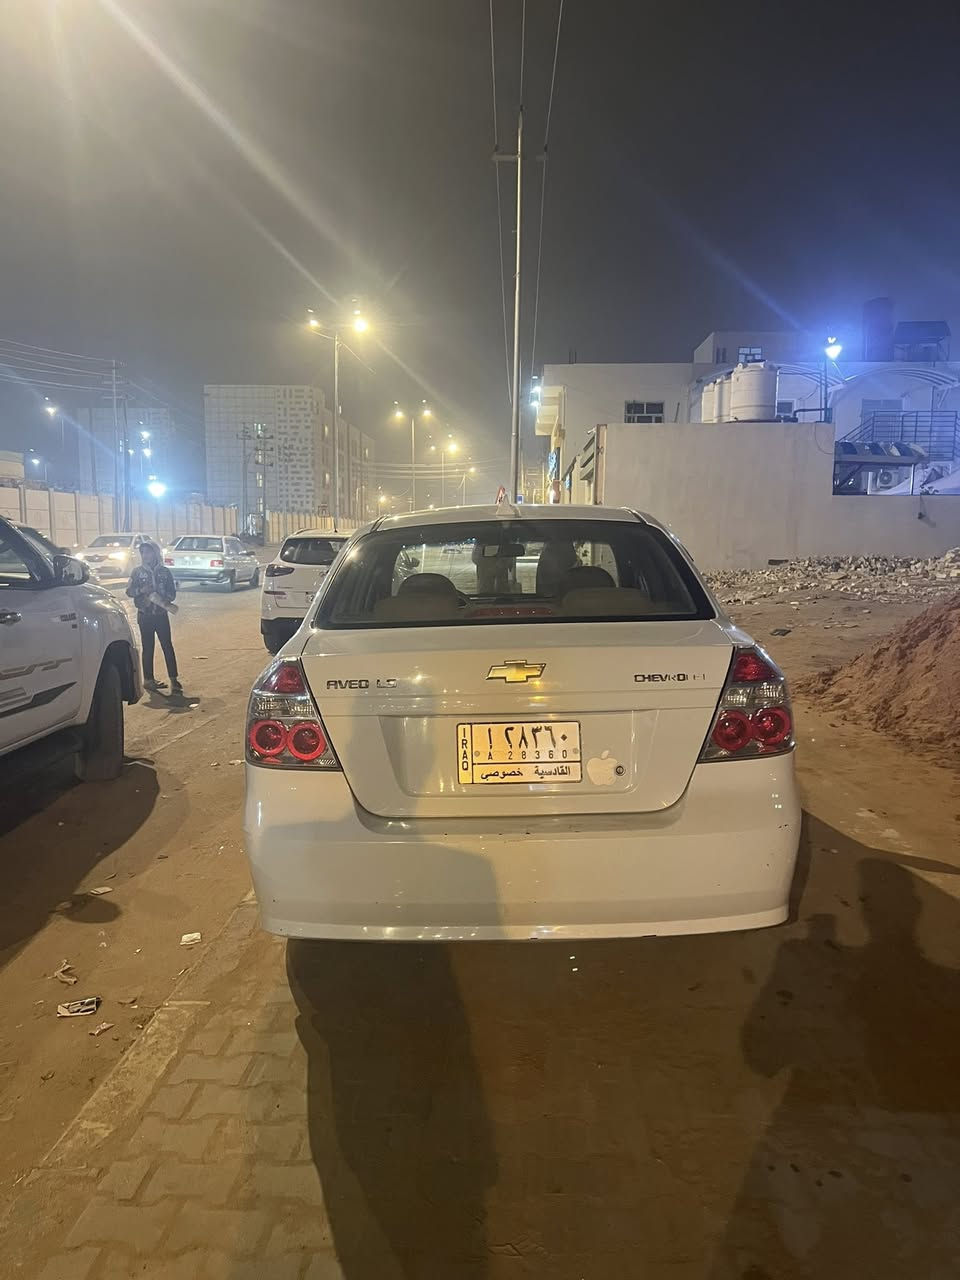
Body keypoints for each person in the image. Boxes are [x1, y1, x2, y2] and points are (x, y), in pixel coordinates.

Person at [126, 540, 181, 694]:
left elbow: (172, 593)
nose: (145, 555)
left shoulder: (165, 572)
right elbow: (129, 591)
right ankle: (149, 680)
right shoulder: (137, 572)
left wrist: (162, 597)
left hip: (161, 615)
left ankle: (174, 679)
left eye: (148, 552)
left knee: (167, 646)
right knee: (148, 647)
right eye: (143, 552)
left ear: (155, 553)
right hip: (145, 616)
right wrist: (141, 590)